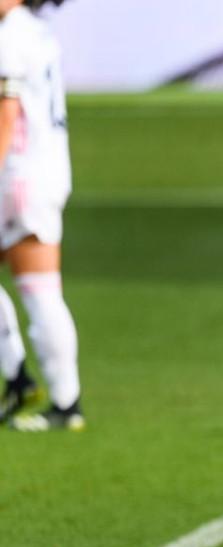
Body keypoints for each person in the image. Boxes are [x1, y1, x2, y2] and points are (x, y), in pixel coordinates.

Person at [0, 0, 82, 431]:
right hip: (45, 170)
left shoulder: (10, 35)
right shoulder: (37, 31)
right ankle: (21, 378)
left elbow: (7, 115)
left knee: (40, 290)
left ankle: (60, 401)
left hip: (20, 176)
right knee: (42, 287)